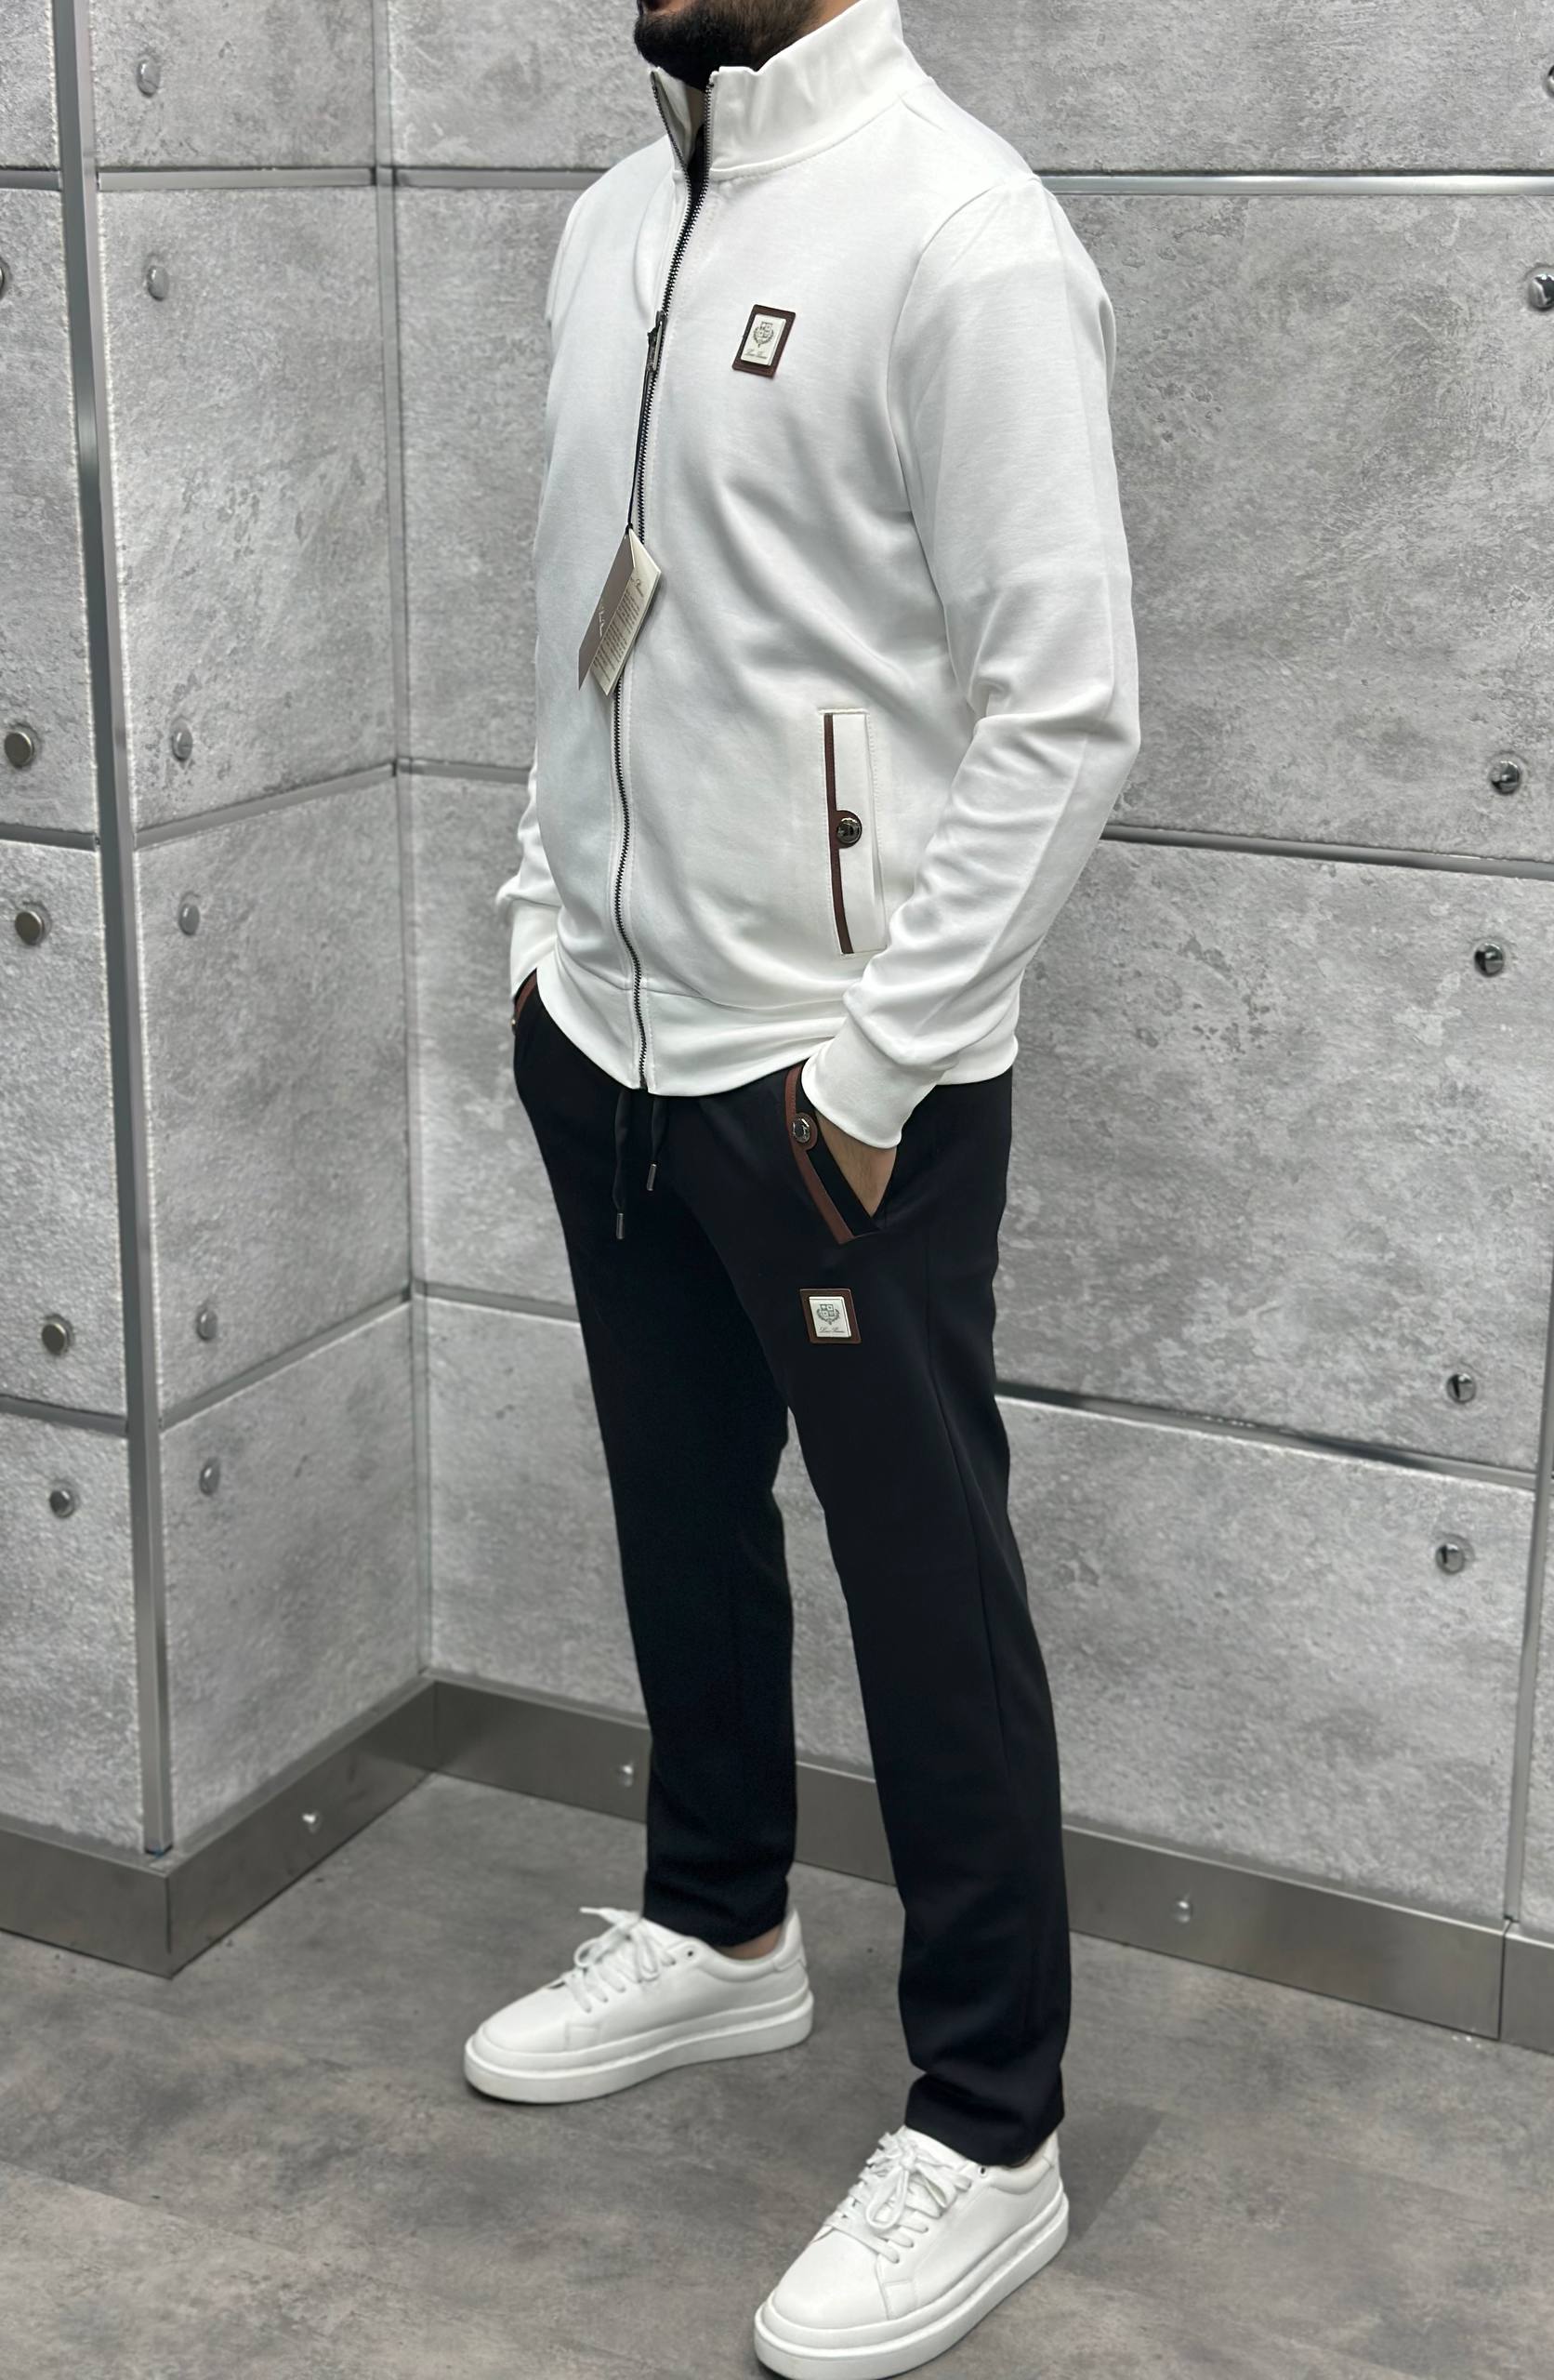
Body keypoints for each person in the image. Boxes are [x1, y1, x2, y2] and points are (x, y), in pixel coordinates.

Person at [470, 1, 1140, 2371]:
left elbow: (1066, 704)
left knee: (922, 1584)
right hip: (608, 1031)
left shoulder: (961, 233)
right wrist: (538, 924)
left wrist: (869, 1065)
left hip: (838, 1080)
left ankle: (987, 2122)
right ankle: (719, 1924)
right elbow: (591, 614)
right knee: (677, 1509)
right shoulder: (607, 220)